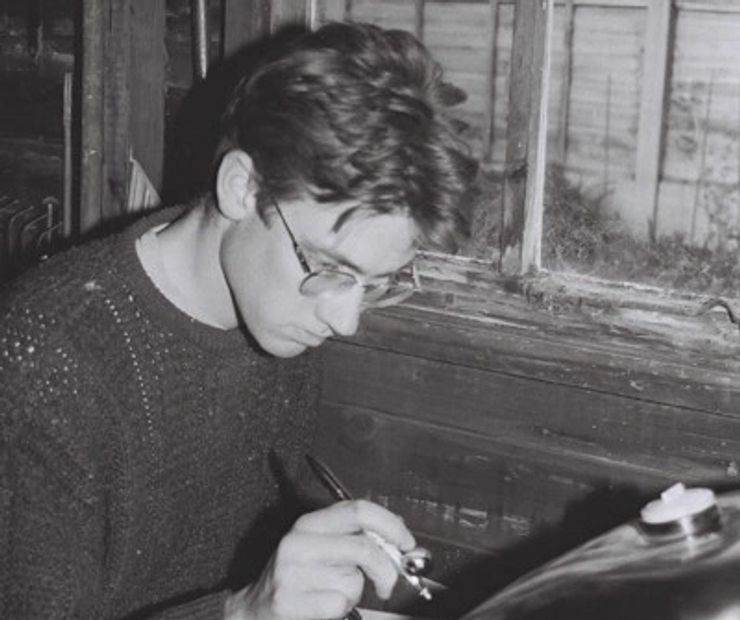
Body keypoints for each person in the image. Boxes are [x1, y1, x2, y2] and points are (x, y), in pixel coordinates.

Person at [0, 21, 477, 620]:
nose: (346, 319)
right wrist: (245, 612)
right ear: (242, 188)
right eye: (332, 267)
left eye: (376, 284)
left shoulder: (278, 315)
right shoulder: (47, 363)